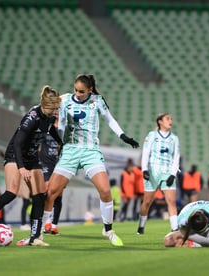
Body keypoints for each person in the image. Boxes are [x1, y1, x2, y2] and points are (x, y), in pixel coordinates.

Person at [42, 74, 139, 247]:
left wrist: (123, 136)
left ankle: (108, 229)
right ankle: (39, 232)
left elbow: (109, 119)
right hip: (70, 150)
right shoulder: (64, 100)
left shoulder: (97, 101)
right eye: (75, 90)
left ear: (90, 90)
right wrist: (57, 134)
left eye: (81, 91)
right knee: (51, 192)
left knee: (105, 190)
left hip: (91, 151)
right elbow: (60, 123)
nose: (77, 94)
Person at [0, 85, 62, 247]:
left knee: (39, 196)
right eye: (54, 108)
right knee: (11, 192)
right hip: (16, 155)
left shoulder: (49, 118)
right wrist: (21, 167)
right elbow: (17, 143)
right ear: (45, 105)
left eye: (57, 108)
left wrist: (61, 142)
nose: (56, 111)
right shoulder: (32, 117)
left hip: (31, 157)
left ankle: (35, 237)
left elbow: (51, 132)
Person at [137, 113, 180, 235]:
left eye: (171, 118)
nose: (170, 121)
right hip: (153, 171)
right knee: (147, 202)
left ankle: (174, 229)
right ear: (160, 122)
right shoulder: (152, 135)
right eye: (167, 119)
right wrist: (144, 169)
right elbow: (146, 152)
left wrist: (173, 174)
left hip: (167, 171)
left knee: (171, 201)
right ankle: (141, 226)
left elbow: (176, 156)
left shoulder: (174, 138)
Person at [42, 118, 63, 235]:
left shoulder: (65, 127)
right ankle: (47, 222)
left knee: (58, 194)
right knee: (48, 191)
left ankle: (54, 225)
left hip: (60, 163)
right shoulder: (47, 126)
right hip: (46, 163)